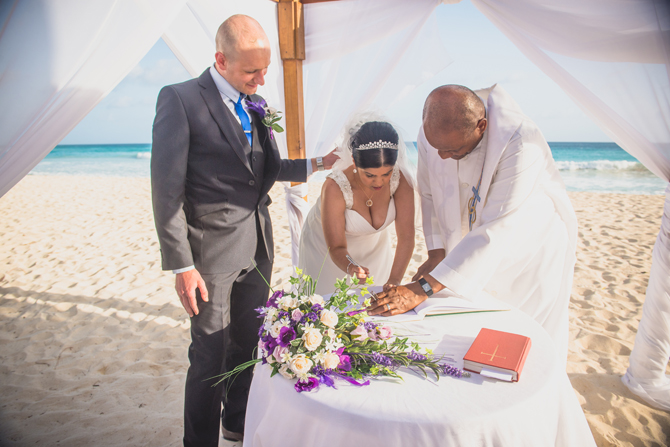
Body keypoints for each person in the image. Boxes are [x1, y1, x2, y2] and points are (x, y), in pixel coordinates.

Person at [150, 15, 337, 446]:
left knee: (247, 345)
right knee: (209, 357)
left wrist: (317, 164)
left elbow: (264, 171)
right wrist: (181, 265)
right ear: (221, 59)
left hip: (257, 248)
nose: (262, 78)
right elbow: (165, 192)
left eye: (265, 68)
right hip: (209, 256)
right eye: (253, 70)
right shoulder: (179, 100)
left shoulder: (256, 103)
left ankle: (236, 425)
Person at [369, 84, 577, 364]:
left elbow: (496, 227)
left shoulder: (520, 141)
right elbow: (428, 192)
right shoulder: (434, 134)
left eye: (452, 150)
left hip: (527, 249)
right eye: (436, 148)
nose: (441, 156)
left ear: (482, 126)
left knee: (526, 341)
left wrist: (423, 289)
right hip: (475, 244)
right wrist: (437, 252)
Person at [298, 119, 415, 296]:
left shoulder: (400, 180)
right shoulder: (335, 187)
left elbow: (406, 237)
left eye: (386, 173)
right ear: (353, 160)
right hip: (327, 250)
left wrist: (394, 280)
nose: (379, 182)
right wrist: (351, 266)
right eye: (369, 175)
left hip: (374, 249)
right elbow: (336, 246)